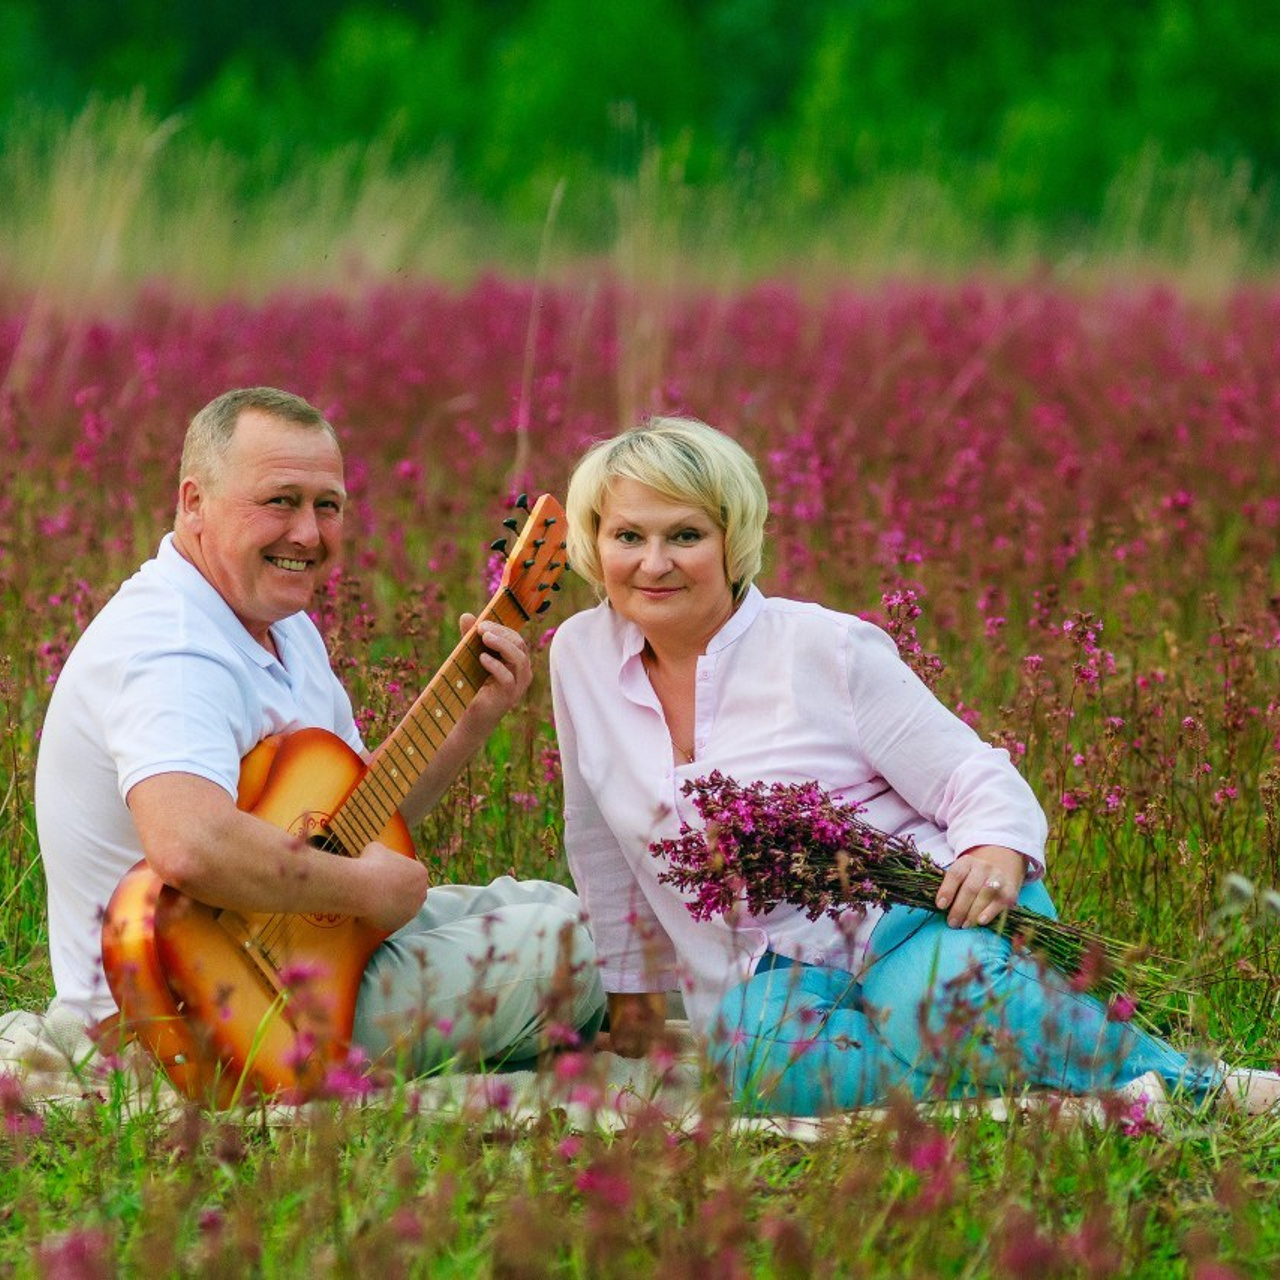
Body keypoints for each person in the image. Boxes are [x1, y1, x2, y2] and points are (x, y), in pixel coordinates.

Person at [550, 415, 1280, 1116]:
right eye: (628, 536)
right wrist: (631, 993)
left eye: (685, 535)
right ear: (595, 543)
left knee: (937, 1006)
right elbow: (597, 838)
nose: (654, 563)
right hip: (771, 972)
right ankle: (1015, 1068)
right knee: (759, 1062)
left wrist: (995, 852)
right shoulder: (580, 655)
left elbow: (972, 773)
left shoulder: (826, 649)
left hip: (920, 917)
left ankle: (1198, 1090)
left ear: (731, 540)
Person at [36, 386, 604, 1081]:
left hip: (290, 948)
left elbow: (357, 822)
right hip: (197, 1022)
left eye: (326, 505)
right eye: (280, 500)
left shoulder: (281, 625)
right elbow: (188, 843)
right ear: (193, 503)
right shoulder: (174, 648)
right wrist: (363, 892)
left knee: (562, 907)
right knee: (564, 947)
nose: (308, 533)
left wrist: (472, 720)